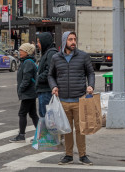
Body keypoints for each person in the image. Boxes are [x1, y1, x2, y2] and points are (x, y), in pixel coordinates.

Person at [48, 31, 95, 165]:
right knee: (66, 129)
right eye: (70, 39)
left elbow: (90, 73)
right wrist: (54, 86)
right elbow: (50, 75)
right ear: (64, 41)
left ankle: (82, 155)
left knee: (81, 130)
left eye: (74, 39)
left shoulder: (83, 56)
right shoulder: (56, 58)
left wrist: (91, 85)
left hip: (79, 99)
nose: (73, 42)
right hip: (63, 100)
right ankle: (68, 155)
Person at [9, 43, 39, 142]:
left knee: (22, 113)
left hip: (28, 93)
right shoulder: (25, 61)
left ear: (27, 52)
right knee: (33, 114)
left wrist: (21, 89)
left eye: (21, 50)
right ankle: (40, 134)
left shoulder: (28, 63)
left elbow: (26, 79)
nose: (19, 52)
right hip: (30, 93)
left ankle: (22, 135)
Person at [36, 32, 58, 118]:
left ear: (44, 42)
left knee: (47, 118)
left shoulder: (51, 53)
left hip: (46, 90)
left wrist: (39, 78)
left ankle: (46, 132)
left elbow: (50, 71)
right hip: (44, 90)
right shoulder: (47, 53)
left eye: (39, 42)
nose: (37, 44)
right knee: (44, 117)